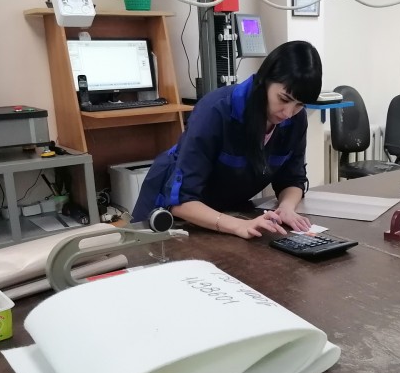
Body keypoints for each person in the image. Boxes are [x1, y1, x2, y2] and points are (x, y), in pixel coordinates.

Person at [131, 40, 322, 239]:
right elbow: (180, 201)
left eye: (299, 105)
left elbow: (292, 179)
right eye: (283, 99)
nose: (288, 113)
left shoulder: (296, 120)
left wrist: (286, 207)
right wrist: (238, 225)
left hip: (226, 216)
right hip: (169, 218)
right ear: (265, 80)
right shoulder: (215, 111)